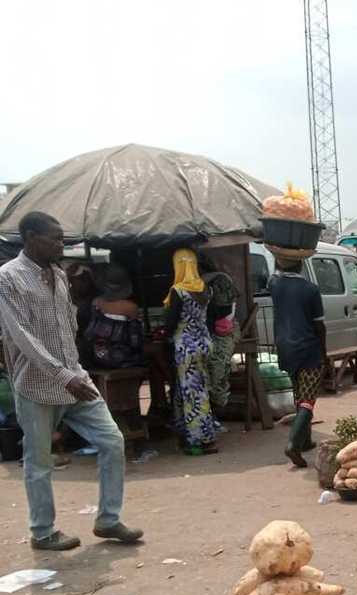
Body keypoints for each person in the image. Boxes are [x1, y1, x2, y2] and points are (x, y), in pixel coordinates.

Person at [0, 212, 142, 550]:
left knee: (111, 441)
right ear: (32, 237)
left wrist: (74, 369)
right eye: (55, 238)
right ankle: (43, 532)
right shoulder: (9, 278)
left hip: (74, 379)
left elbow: (68, 325)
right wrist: (63, 374)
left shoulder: (60, 275)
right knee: (38, 460)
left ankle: (108, 520)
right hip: (36, 384)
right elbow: (21, 337)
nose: (61, 244)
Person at [269, 253, 327, 467]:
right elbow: (319, 326)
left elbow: (276, 272)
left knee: (299, 395)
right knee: (308, 400)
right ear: (302, 263)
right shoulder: (310, 289)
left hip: (285, 349)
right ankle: (293, 444)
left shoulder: (275, 285)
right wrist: (324, 352)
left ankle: (305, 440)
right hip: (308, 348)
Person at [164, 249, 218, 454]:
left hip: (186, 348)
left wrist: (165, 334)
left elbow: (171, 324)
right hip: (203, 344)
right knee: (198, 390)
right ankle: (190, 433)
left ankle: (199, 440)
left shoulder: (178, 291)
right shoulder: (204, 288)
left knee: (192, 395)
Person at [198, 254, 239, 414]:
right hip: (213, 331)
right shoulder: (212, 280)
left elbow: (224, 311)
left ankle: (216, 408)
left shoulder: (218, 281)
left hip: (221, 331)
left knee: (216, 369)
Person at [85, 263, 144, 370]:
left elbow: (89, 333)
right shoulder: (131, 307)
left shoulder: (96, 303)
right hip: (120, 359)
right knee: (154, 357)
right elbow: (135, 341)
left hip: (96, 357)